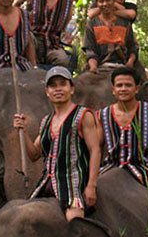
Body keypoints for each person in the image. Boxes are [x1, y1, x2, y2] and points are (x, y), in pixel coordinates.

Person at [14, 67, 101, 221]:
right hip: (47, 182)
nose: (58, 89)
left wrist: (91, 186)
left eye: (63, 84)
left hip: (73, 184)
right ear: (47, 91)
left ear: (71, 89)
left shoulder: (83, 115)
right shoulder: (46, 121)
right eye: (53, 86)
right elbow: (34, 154)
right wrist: (24, 132)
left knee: (75, 222)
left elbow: (95, 150)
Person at [98, 66, 148, 188]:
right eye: (119, 85)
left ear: (137, 89)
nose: (123, 89)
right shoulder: (102, 115)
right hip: (111, 169)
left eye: (128, 85)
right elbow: (96, 148)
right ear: (113, 90)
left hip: (145, 169)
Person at [82, 0, 140, 73]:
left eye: (108, 0)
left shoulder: (125, 23)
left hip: (122, 66)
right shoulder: (92, 25)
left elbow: (133, 47)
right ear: (97, 3)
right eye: (101, 1)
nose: (105, 4)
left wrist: (130, 63)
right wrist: (93, 67)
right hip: (100, 66)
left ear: (114, 1)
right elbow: (90, 51)